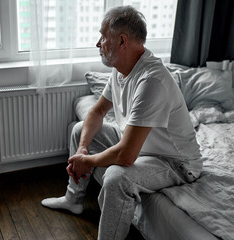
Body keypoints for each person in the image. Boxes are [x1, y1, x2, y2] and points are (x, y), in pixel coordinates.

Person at [41, 5, 203, 240]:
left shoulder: (152, 80)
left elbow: (126, 156)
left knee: (117, 178)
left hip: (174, 162)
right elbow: (97, 111)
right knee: (80, 130)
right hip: (141, 145)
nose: (98, 44)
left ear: (122, 41)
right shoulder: (122, 70)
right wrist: (82, 150)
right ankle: (73, 199)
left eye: (103, 37)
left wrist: (87, 162)